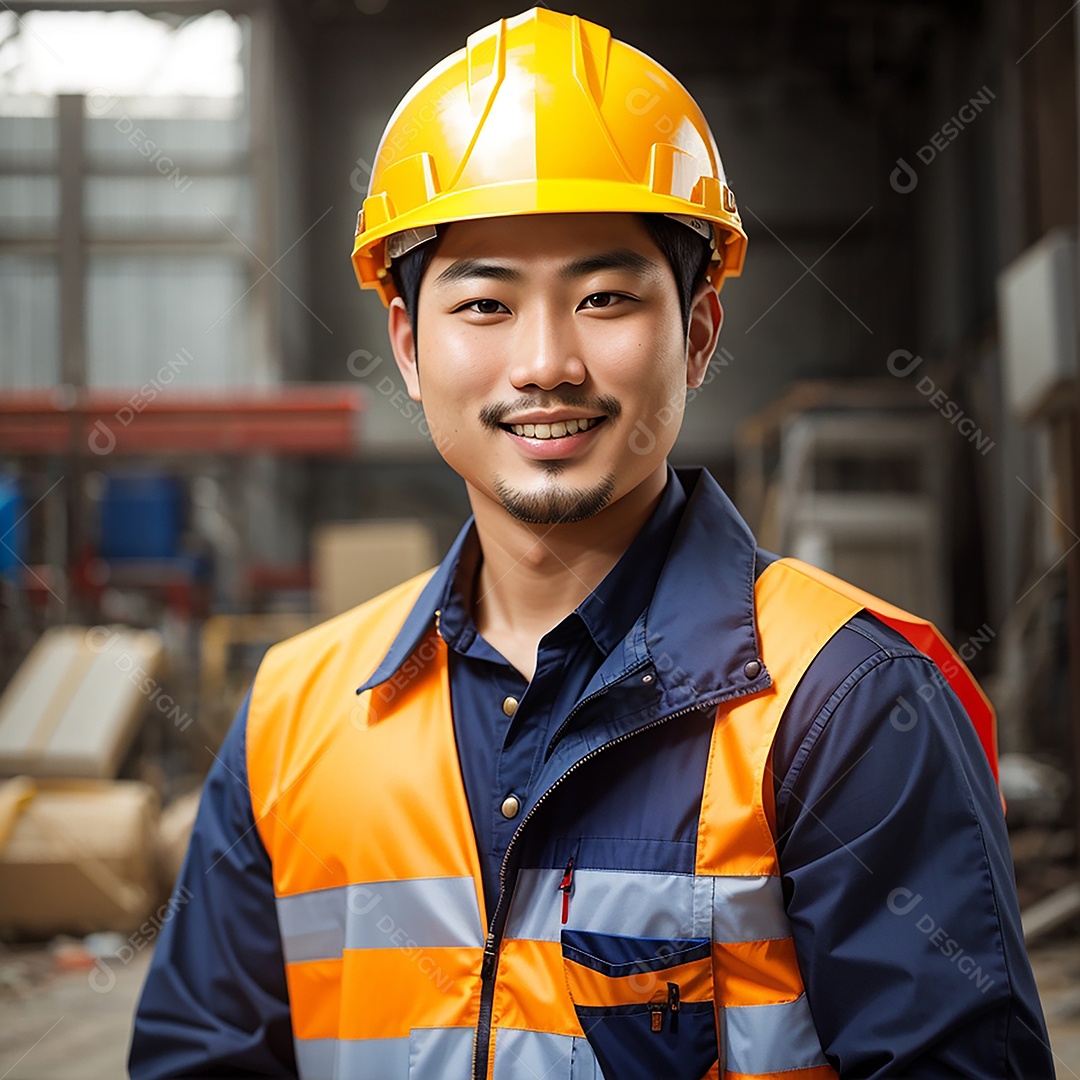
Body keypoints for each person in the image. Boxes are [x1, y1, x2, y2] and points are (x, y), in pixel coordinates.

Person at [129, 8, 1054, 1079]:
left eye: (606, 297)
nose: (546, 362)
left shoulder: (846, 702)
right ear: (408, 346)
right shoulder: (292, 717)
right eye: (483, 302)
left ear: (698, 333)